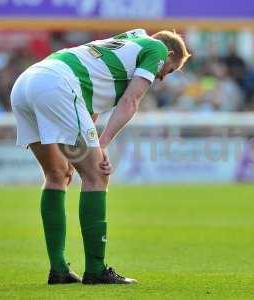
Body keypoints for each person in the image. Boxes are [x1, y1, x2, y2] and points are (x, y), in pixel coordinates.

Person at [10, 29, 190, 284]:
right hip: (57, 85)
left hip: (27, 84)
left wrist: (85, 148)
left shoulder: (126, 42)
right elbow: (131, 101)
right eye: (169, 70)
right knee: (97, 175)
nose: (161, 77)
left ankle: (59, 270)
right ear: (169, 54)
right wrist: (101, 145)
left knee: (56, 174)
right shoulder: (157, 49)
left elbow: (87, 107)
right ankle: (96, 270)